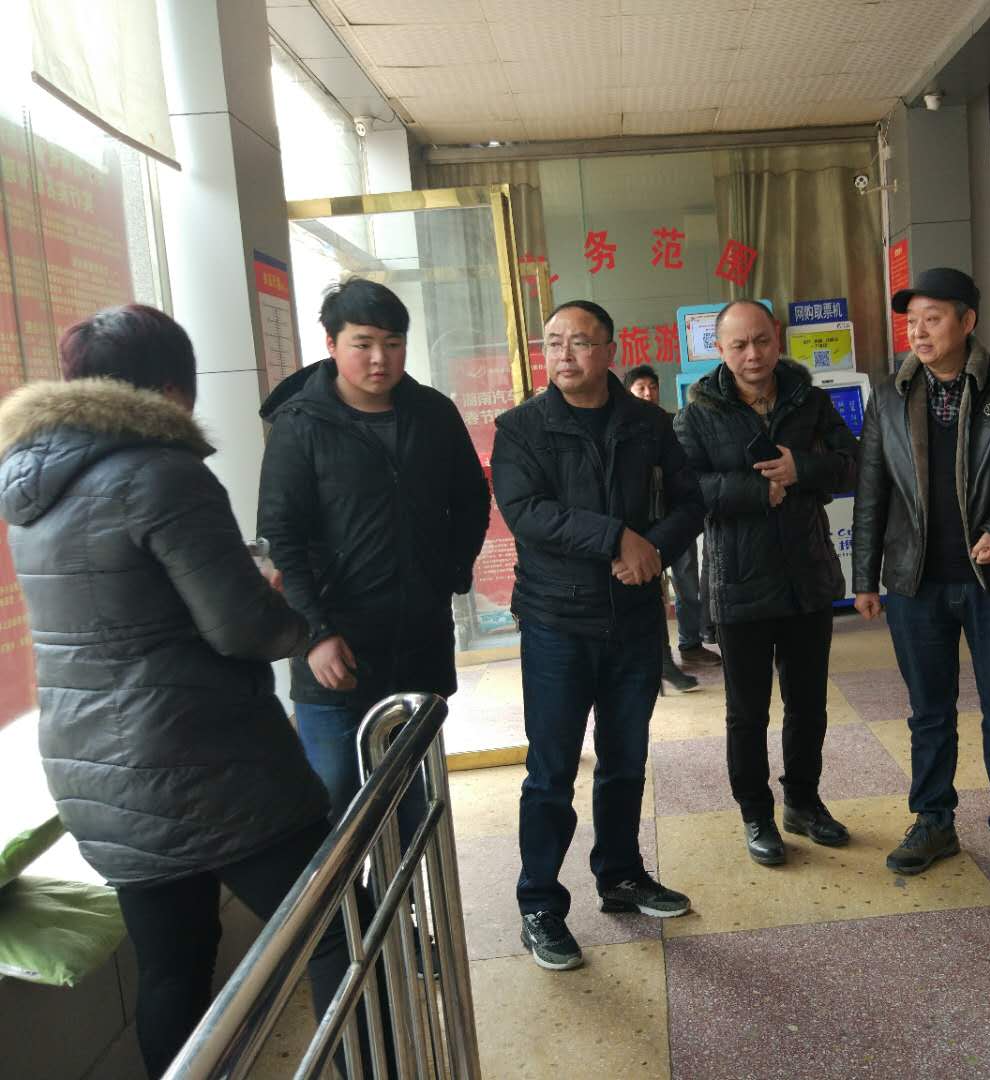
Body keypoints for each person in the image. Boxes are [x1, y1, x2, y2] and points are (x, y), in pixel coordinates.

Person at [0, 306, 345, 1079]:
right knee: (336, 925)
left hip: (96, 775)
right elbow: (240, 628)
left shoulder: (31, 487)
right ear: (168, 390)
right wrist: (290, 619)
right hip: (205, 767)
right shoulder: (163, 472)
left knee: (173, 969)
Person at [492, 300, 703, 971]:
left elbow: (691, 502)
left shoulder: (648, 424)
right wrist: (617, 537)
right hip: (557, 622)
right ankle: (540, 905)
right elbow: (527, 512)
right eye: (553, 342)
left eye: (579, 342)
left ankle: (621, 875)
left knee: (625, 760)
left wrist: (653, 549)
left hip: (633, 619)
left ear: (610, 349)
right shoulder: (522, 427)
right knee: (551, 770)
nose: (564, 354)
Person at [258, 278, 490, 833]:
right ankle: (355, 898)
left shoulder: (433, 413)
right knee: (338, 802)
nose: (379, 359)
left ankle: (408, 894)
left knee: (415, 800)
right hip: (337, 650)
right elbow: (281, 538)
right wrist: (315, 634)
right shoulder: (300, 425)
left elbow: (470, 498)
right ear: (331, 343)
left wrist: (451, 573)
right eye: (362, 343)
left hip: (419, 644)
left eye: (393, 343)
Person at [851, 267, 990, 882]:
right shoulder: (889, 395)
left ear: (967, 321)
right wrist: (865, 577)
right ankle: (933, 820)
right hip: (916, 582)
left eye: (933, 319)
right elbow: (872, 490)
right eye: (912, 321)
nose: (919, 331)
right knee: (928, 711)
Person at [673, 299, 859, 866]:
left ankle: (803, 802)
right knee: (747, 712)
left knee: (808, 704)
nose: (752, 354)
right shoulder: (697, 413)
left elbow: (853, 463)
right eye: (739, 345)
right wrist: (756, 490)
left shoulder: (809, 399)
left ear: (777, 338)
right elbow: (684, 490)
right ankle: (756, 814)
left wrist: (802, 468)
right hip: (740, 583)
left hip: (807, 576)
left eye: (761, 340)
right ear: (719, 350)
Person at [623, 364, 713, 694]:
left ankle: (690, 643)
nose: (648, 393)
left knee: (687, 584)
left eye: (652, 387)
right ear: (629, 392)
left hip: (675, 519)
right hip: (642, 526)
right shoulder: (624, 426)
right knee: (651, 592)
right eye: (640, 388)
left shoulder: (673, 422)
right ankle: (661, 662)